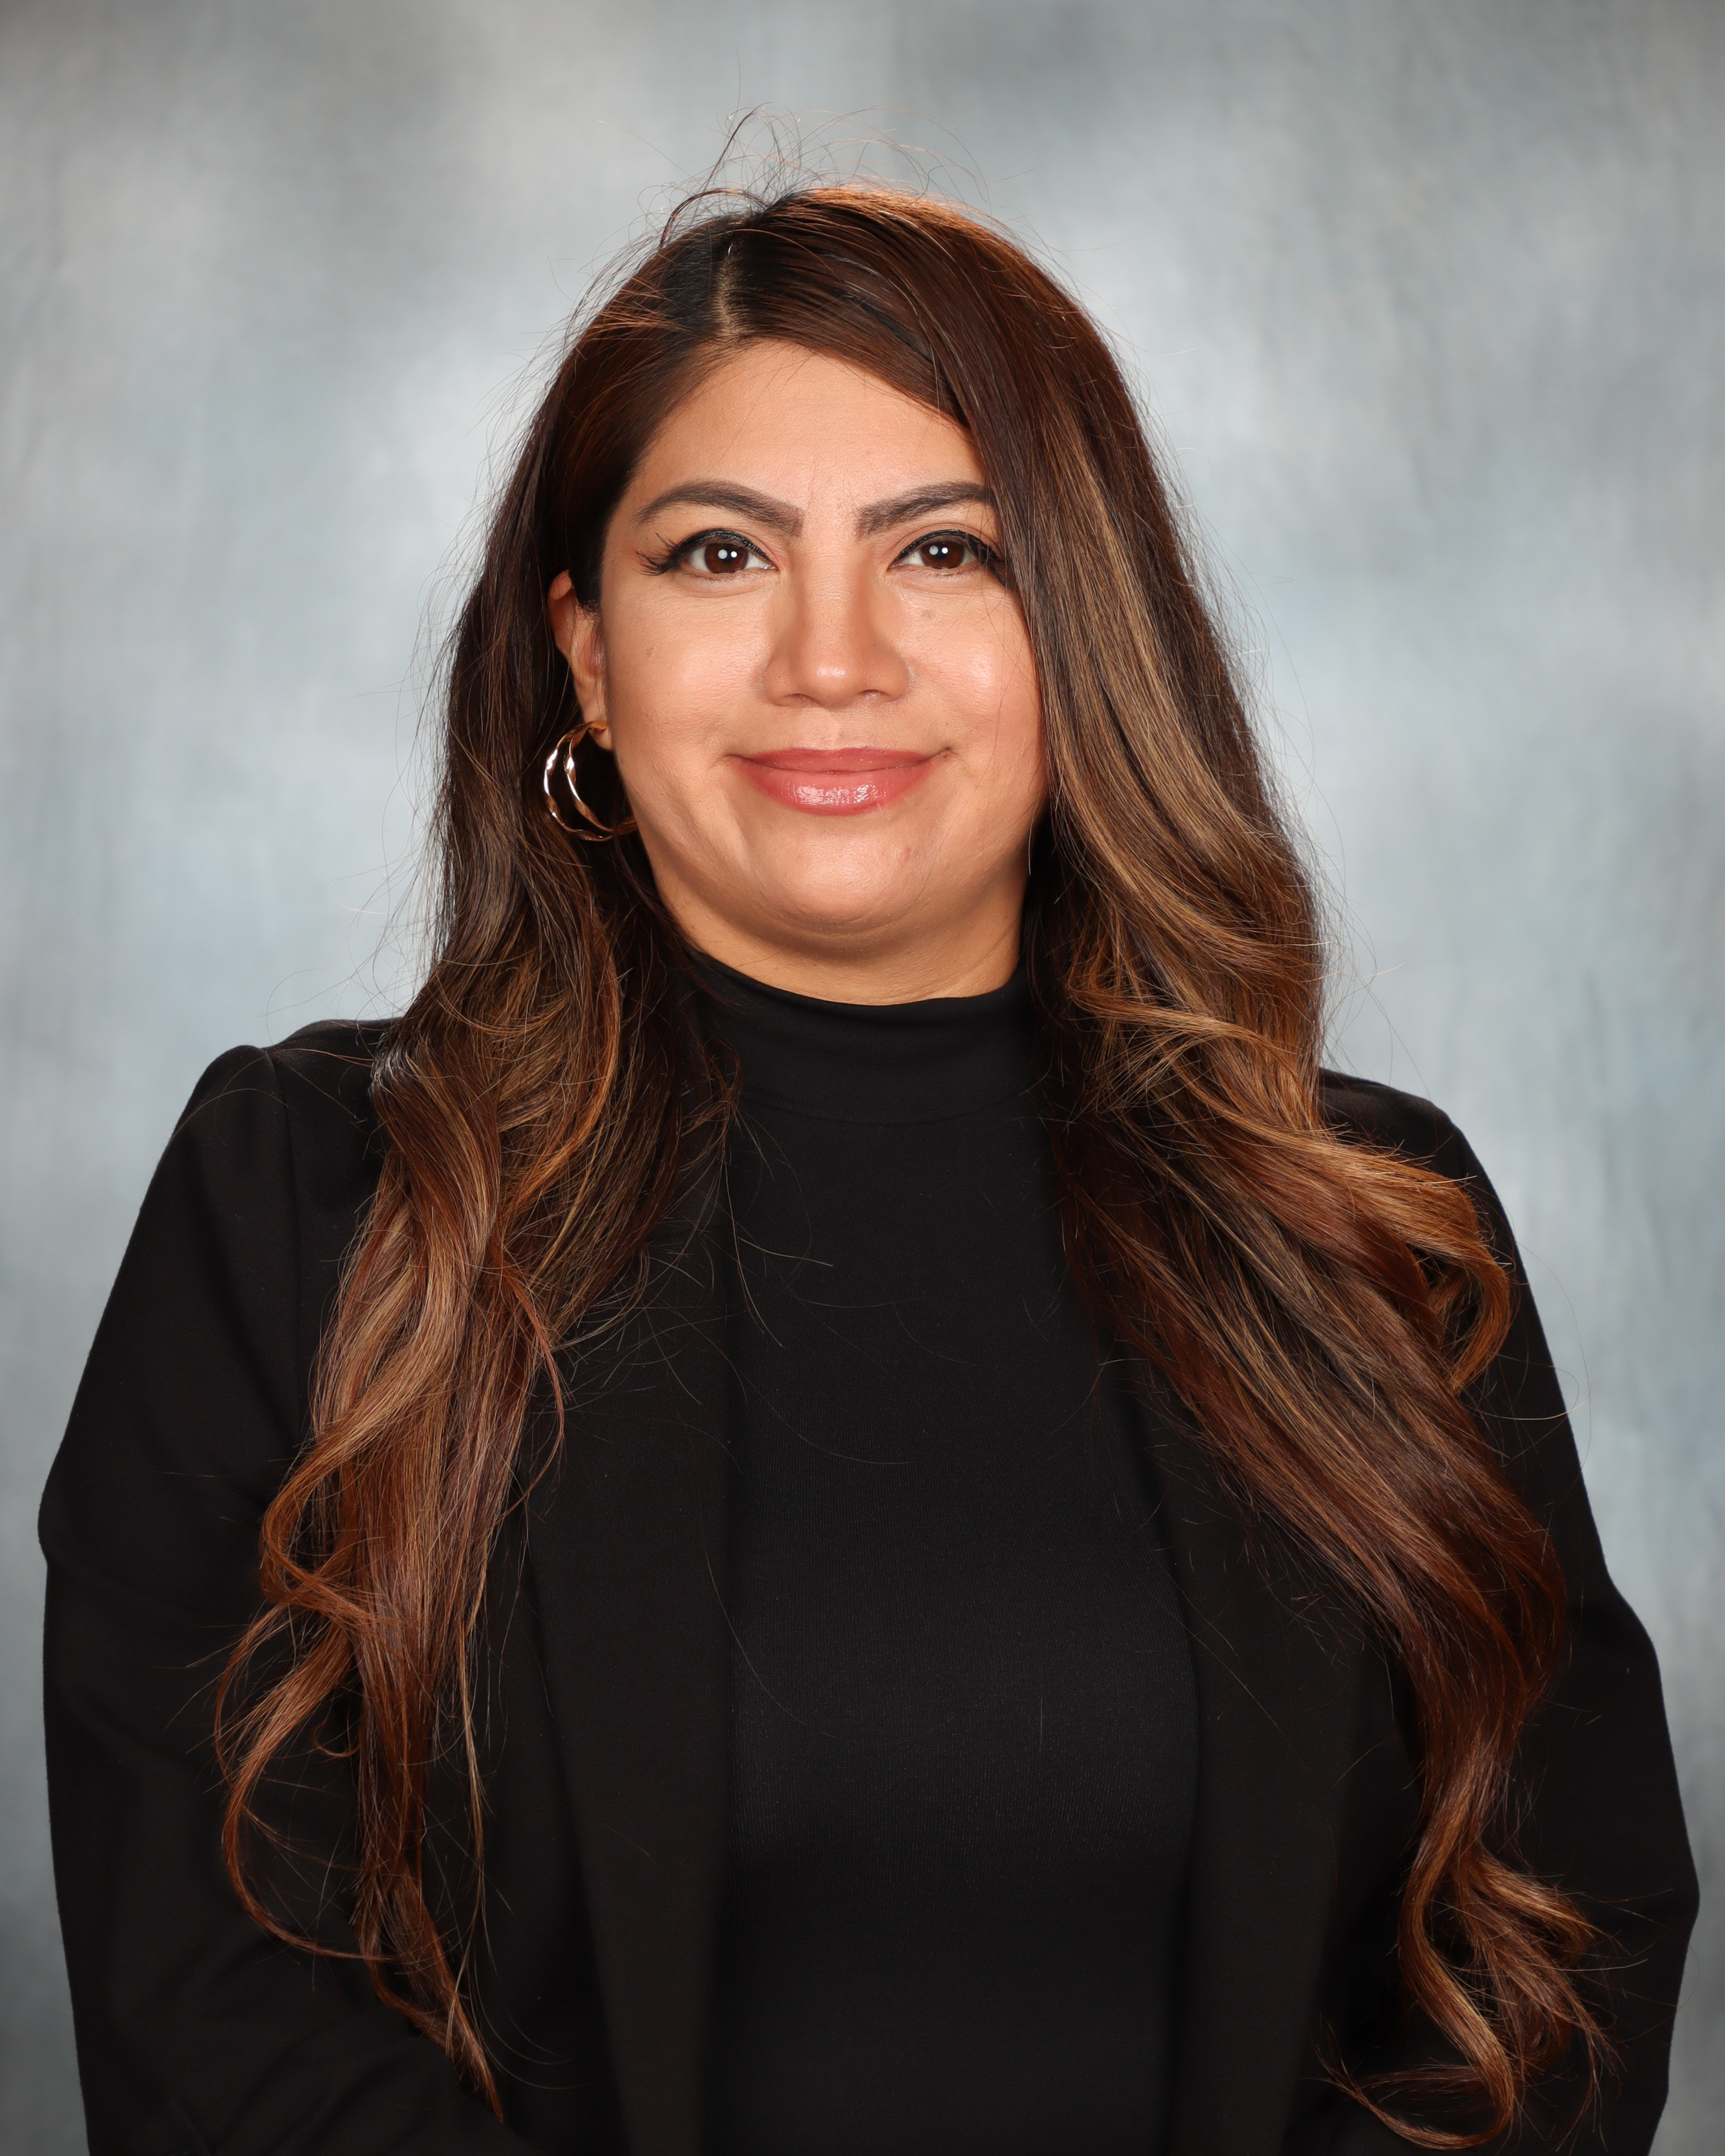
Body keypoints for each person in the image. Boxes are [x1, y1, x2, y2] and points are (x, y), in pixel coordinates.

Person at [40, 182, 1695, 2156]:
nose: (832, 658)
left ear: (1082, 634)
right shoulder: (312, 1198)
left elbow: (1557, 1938)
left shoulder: (1366, 1218)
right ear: (586, 654)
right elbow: (213, 2002)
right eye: (720, 552)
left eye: (945, 550)